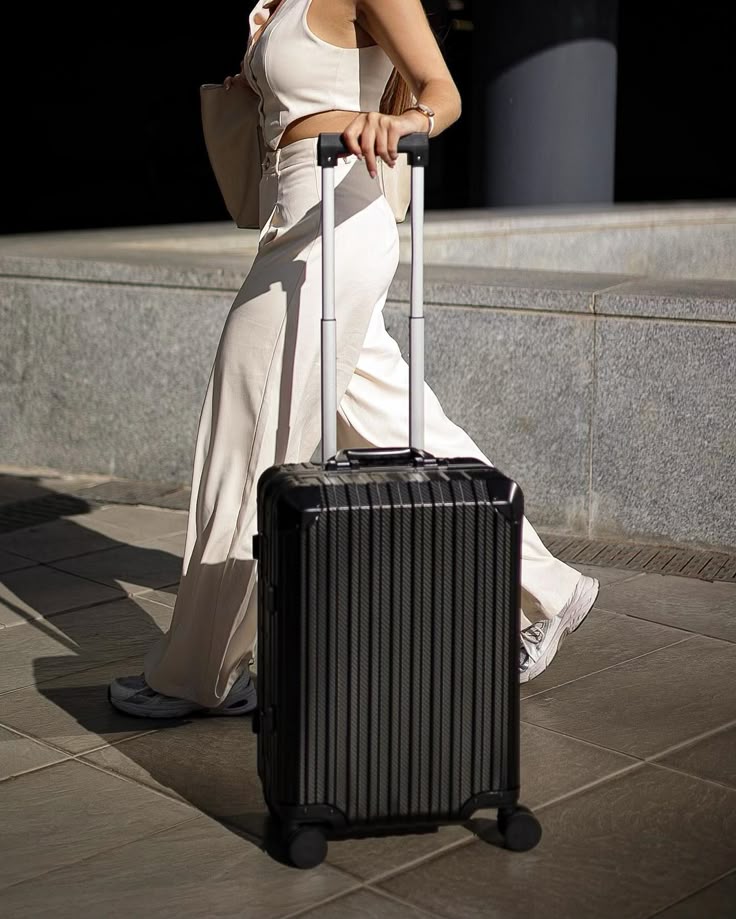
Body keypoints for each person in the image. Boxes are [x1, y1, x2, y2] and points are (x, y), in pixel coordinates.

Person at [109, 0, 598, 719]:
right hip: (301, 218)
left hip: (336, 218)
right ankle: (550, 587)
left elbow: (442, 92)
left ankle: (199, 672)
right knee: (402, 424)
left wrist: (401, 124)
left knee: (244, 436)